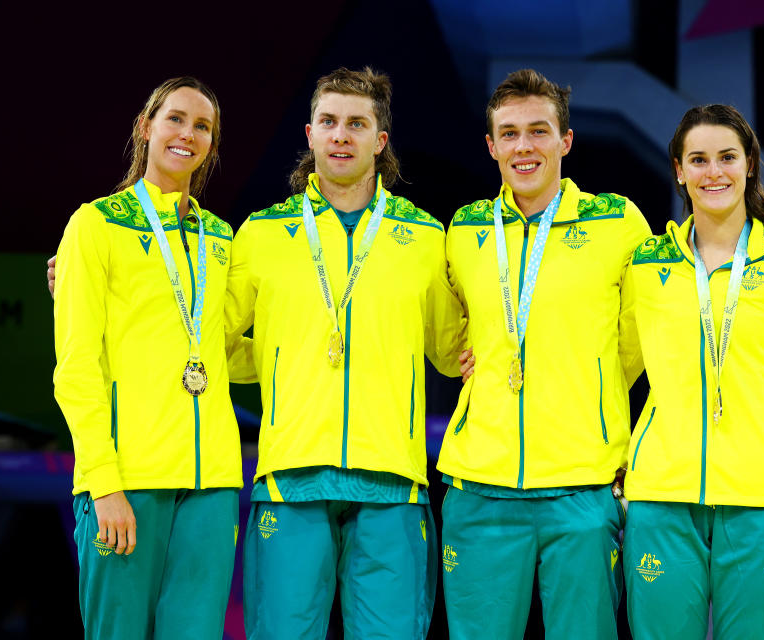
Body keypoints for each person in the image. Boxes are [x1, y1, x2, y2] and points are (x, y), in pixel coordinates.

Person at [223, 67, 465, 639]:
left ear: (380, 142)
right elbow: (213, 340)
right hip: (290, 479)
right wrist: (288, 363)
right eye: (329, 122)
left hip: (393, 486)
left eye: (357, 124)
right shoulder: (261, 233)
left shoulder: (425, 238)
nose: (341, 135)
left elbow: (454, 352)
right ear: (309, 134)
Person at [617, 104, 764, 639]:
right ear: (679, 170)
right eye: (697, 159)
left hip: (762, 510)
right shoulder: (645, 264)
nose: (713, 172)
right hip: (660, 503)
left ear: (749, 163)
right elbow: (609, 367)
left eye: (727, 157)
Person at [438, 69, 651, 640]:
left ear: (566, 141)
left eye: (538, 131)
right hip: (479, 487)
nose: (524, 146)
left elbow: (654, 321)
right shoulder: (465, 228)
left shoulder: (619, 222)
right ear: (491, 146)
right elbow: (442, 327)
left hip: (582, 487)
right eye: (509, 134)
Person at [53, 77, 243, 639]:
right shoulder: (96, 224)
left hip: (211, 488)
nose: (188, 133)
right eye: (176, 119)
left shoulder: (220, 239)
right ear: (146, 126)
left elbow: (224, 350)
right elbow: (77, 365)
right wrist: (104, 482)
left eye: (202, 126)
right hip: (127, 482)